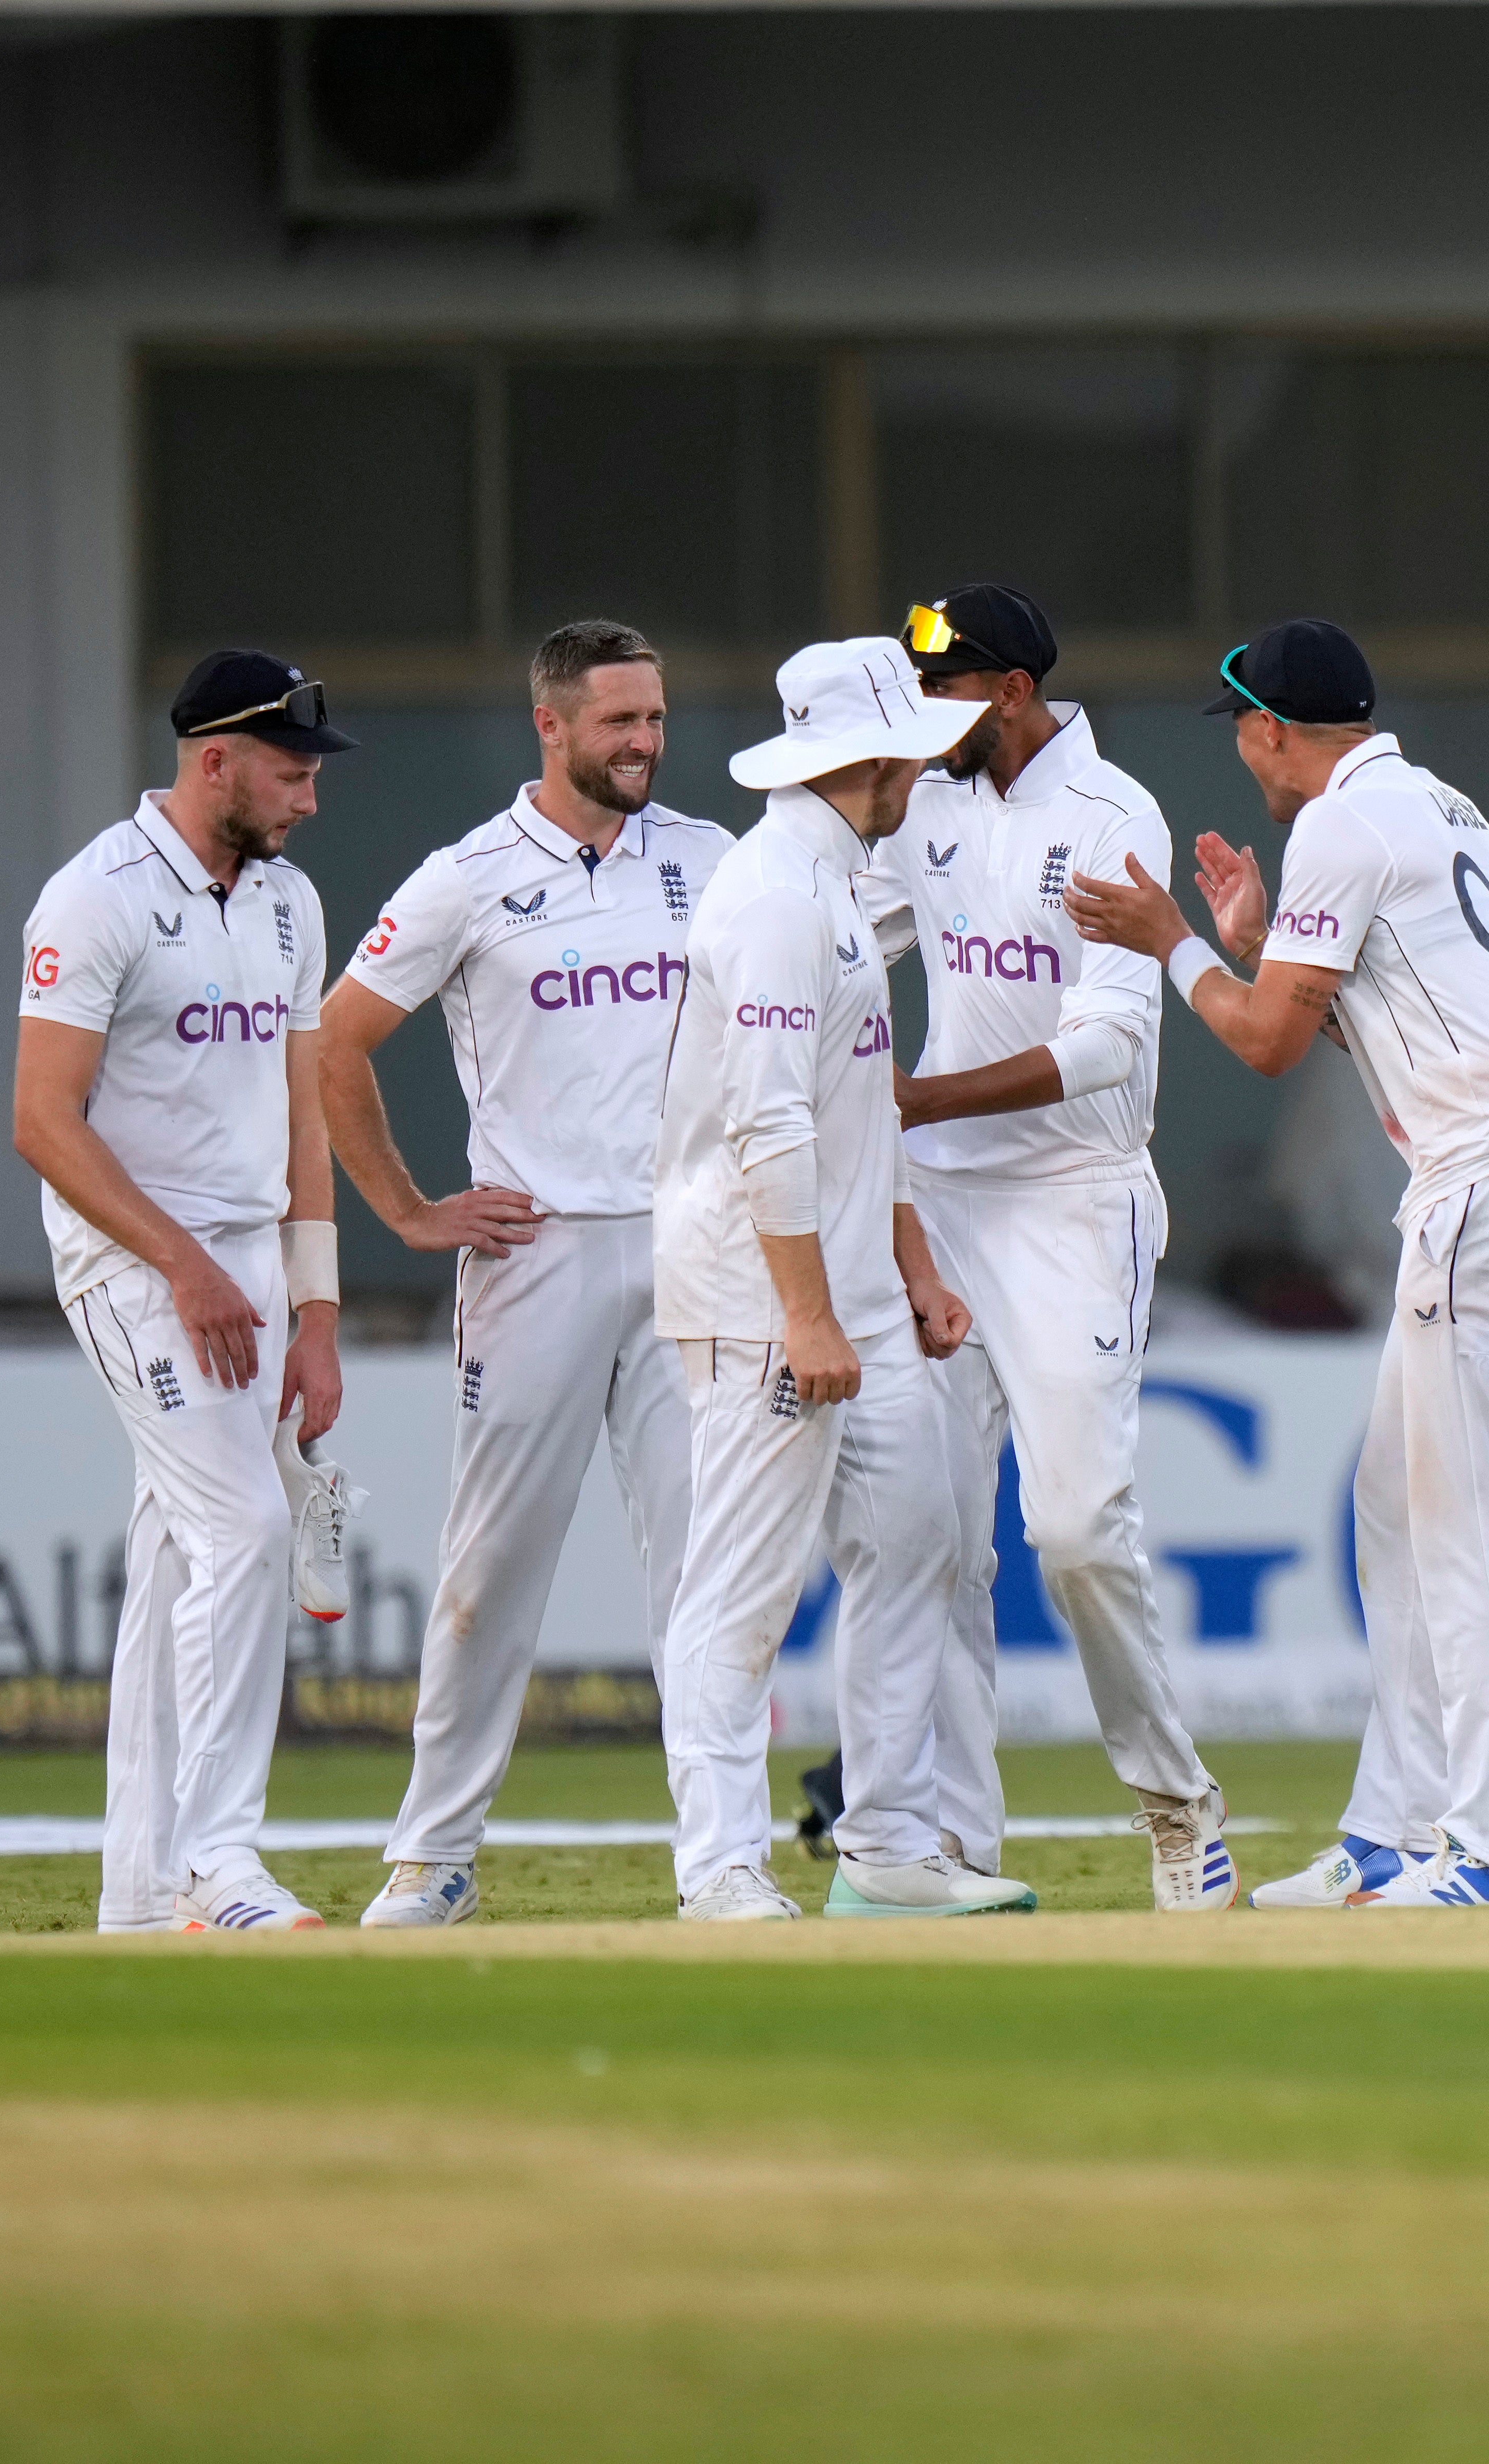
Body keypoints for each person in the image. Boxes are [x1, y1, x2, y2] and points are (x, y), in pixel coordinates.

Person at [1071, 618, 1489, 1909]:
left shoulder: (1343, 827)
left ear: (1276, 730)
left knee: (1467, 1529)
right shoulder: (1434, 806)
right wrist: (1248, 946)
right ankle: (1393, 1836)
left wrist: (1169, 938)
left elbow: (1269, 1050)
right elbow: (1380, 1023)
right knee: (1400, 1514)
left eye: (1245, 728)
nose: (1243, 752)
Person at [323, 621, 732, 1928]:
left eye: (658, 719)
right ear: (550, 728)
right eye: (621, 722)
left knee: (707, 1570)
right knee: (491, 1569)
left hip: (690, 1253)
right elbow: (334, 1043)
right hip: (537, 1255)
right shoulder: (469, 878)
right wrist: (405, 1209)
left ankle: (721, 1862)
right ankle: (433, 1858)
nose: (647, 744)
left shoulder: (715, 862)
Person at [864, 585, 1230, 1912]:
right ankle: (960, 1842)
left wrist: (912, 1097)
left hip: (1076, 1200)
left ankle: (1179, 1802)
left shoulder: (1109, 815)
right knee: (934, 1537)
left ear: (1010, 691)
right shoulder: (927, 801)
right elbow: (846, 930)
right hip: (942, 1209)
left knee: (1072, 1529)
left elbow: (1106, 1050)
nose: (924, 713)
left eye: (944, 688)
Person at [652, 639, 1001, 1922]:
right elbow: (770, 1131)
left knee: (917, 1541)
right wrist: (804, 1310)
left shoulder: (838, 880)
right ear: (869, 757)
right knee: (739, 1588)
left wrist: (909, 1269)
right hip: (762, 1301)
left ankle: (889, 1846)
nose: (926, 763)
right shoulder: (770, 900)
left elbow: (859, 1109)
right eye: (910, 745)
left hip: (856, 1293)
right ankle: (722, 1867)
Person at [12, 650, 353, 1932]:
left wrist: (314, 1313)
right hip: (138, 1265)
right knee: (244, 1533)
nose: (309, 796)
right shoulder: (92, 900)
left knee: (175, 1558)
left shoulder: (288, 905)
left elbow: (302, 1109)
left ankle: (143, 1892)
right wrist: (183, 1262)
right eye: (291, 769)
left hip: (251, 1263)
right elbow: (43, 1122)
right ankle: (223, 1865)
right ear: (216, 759)